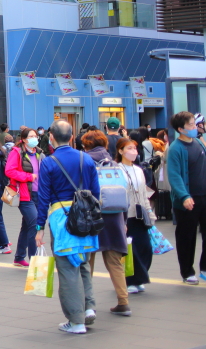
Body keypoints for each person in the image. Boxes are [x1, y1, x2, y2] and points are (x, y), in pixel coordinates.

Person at [35, 120, 101, 335]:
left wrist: (39, 227)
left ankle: (76, 320)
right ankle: (88, 306)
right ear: (73, 137)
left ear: (51, 137)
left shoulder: (49, 161)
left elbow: (43, 196)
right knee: (83, 262)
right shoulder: (86, 158)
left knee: (67, 268)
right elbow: (96, 192)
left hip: (61, 218)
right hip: (85, 216)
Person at [82, 131, 131, 316]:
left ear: (86, 145)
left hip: (92, 217)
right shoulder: (114, 164)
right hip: (115, 216)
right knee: (115, 262)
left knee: (87, 262)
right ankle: (123, 301)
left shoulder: (85, 162)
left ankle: (88, 305)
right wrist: (124, 221)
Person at [166, 111, 206, 284]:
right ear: (181, 129)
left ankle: (204, 267)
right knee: (186, 237)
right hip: (188, 199)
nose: (194, 127)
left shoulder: (198, 142)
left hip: (204, 195)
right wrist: (184, 196)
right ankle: (187, 271)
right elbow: (174, 175)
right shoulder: (175, 148)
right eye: (190, 125)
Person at [116, 137, 153, 296]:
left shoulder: (139, 170)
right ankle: (131, 280)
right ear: (120, 151)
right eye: (129, 148)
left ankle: (139, 277)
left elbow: (144, 193)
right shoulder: (116, 169)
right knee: (130, 249)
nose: (133, 152)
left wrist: (149, 212)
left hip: (140, 214)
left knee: (145, 247)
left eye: (135, 149)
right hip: (126, 215)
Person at [5, 126, 41, 268]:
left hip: (38, 193)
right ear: (24, 139)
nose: (34, 139)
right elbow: (9, 171)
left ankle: (19, 257)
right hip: (25, 194)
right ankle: (34, 260)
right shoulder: (17, 152)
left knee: (27, 225)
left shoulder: (38, 153)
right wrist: (28, 177)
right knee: (34, 224)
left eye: (35, 136)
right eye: (31, 136)